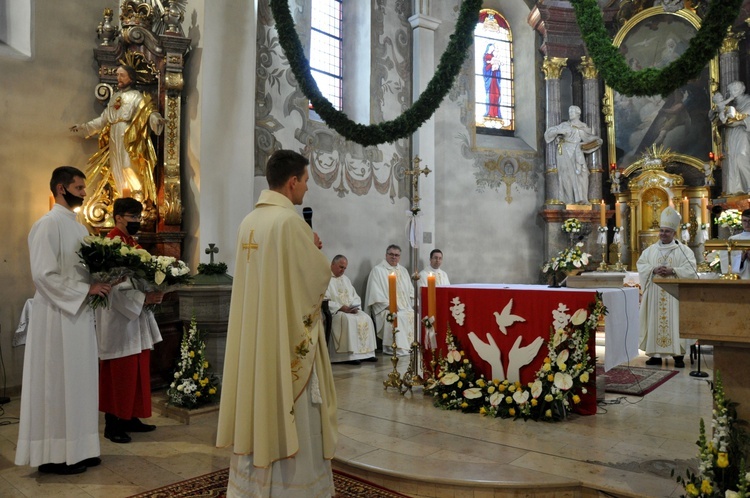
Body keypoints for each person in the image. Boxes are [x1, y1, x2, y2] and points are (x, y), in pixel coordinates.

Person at [216, 150, 337, 497]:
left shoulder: (248, 222)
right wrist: (315, 252)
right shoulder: (289, 223)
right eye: (307, 182)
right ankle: (295, 488)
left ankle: (249, 486)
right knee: (295, 410)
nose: (307, 190)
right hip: (283, 339)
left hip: (256, 338)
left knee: (258, 400)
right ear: (292, 181)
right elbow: (314, 280)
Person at [15, 166, 112, 475]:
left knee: (80, 382)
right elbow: (43, 275)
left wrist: (110, 276)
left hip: (79, 315)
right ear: (61, 188)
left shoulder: (80, 228)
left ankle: (81, 448)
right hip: (56, 317)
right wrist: (86, 290)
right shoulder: (46, 225)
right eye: (80, 188)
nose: (85, 193)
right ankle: (54, 455)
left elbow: (82, 270)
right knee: (57, 383)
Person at [95, 198, 163, 444]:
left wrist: (154, 291)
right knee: (119, 371)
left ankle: (131, 417)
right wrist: (142, 298)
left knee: (136, 368)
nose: (137, 222)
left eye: (139, 217)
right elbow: (113, 285)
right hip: (119, 317)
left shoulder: (132, 243)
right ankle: (113, 424)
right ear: (119, 217)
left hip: (135, 317)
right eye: (133, 217)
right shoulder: (111, 244)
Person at [70, 65, 164, 205]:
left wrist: (156, 119)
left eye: (122, 75)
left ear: (130, 78)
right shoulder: (114, 97)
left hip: (128, 134)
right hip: (114, 135)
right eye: (117, 75)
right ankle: (122, 199)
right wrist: (84, 128)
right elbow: (102, 120)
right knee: (116, 168)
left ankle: (137, 198)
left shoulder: (136, 96)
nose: (118, 78)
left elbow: (147, 112)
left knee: (128, 165)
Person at [637, 206, 697, 368]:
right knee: (655, 320)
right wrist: (653, 269)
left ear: (674, 233)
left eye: (667, 231)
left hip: (675, 294)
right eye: (661, 231)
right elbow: (641, 265)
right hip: (655, 293)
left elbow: (691, 270)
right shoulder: (650, 251)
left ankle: (678, 355)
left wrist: (673, 270)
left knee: (676, 321)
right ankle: (655, 355)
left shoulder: (684, 251)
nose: (663, 234)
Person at [544, 105, 603, 205]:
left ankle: (582, 199)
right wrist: (559, 132)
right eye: (569, 112)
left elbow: (590, 139)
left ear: (578, 114)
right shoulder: (564, 125)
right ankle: (569, 200)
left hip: (577, 152)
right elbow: (548, 134)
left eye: (572, 112)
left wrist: (589, 143)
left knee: (582, 174)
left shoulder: (582, 127)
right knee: (566, 176)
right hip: (564, 152)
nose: (570, 114)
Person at [325, 255, 377, 364]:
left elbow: (355, 296)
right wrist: (341, 307)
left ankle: (366, 354)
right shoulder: (325, 278)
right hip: (337, 312)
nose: (342, 270)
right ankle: (348, 356)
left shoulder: (346, 279)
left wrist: (354, 306)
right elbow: (324, 299)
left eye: (344, 268)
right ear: (332, 264)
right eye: (340, 267)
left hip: (349, 310)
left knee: (366, 317)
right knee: (347, 320)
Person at [364, 244, 415, 356]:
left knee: (414, 315)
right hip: (385, 308)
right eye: (391, 254)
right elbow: (375, 294)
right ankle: (396, 347)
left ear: (399, 257)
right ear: (386, 255)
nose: (394, 257)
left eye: (396, 255)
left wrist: (412, 305)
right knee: (399, 317)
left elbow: (411, 292)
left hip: (404, 307)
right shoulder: (378, 270)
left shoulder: (403, 271)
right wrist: (389, 306)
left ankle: (412, 346)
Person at [715, 81, 750, 194]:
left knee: (741, 157)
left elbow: (743, 118)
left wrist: (735, 121)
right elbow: (719, 119)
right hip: (731, 134)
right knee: (731, 160)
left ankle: (748, 186)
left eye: (735, 90)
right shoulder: (732, 105)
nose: (732, 93)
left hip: (743, 133)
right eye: (730, 91)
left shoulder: (748, 101)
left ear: (741, 90)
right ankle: (735, 189)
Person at [729, 208, 750, 279]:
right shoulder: (733, 239)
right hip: (741, 278)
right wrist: (741, 258)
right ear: (741, 221)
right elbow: (730, 262)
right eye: (745, 221)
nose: (747, 224)